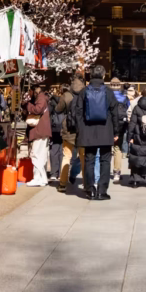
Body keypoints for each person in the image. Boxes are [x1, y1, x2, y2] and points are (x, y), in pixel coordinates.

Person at [72, 65, 122, 200]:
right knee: (105, 160)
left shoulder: (84, 91)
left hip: (87, 130)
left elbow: (77, 112)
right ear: (104, 76)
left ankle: (90, 189)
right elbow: (115, 113)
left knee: (89, 160)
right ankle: (102, 190)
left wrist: (80, 129)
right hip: (106, 130)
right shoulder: (108, 92)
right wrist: (116, 131)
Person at [61, 72, 86, 192]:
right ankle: (86, 184)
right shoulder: (86, 93)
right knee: (83, 158)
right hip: (82, 130)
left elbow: (58, 109)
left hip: (68, 129)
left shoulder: (67, 94)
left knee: (66, 157)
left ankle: (62, 184)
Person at [24, 86, 52, 187]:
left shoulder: (41, 98)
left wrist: (28, 106)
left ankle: (37, 178)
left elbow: (38, 110)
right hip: (41, 131)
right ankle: (42, 178)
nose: (30, 93)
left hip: (40, 131)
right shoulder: (42, 98)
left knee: (36, 154)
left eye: (30, 91)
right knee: (40, 155)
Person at [110, 77, 127, 183]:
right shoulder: (124, 98)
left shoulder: (107, 96)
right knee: (118, 148)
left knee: (106, 149)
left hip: (108, 125)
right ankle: (117, 172)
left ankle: (104, 171)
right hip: (120, 125)